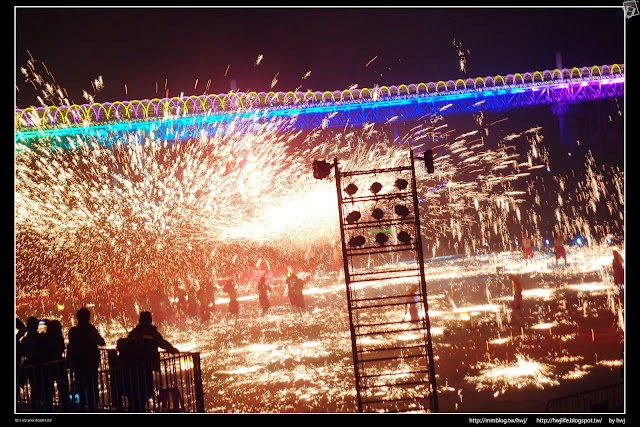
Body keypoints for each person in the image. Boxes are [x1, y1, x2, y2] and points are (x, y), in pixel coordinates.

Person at [124, 311, 180, 412]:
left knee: (134, 394)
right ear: (150, 320)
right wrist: (173, 350)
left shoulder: (134, 332)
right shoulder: (150, 331)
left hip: (132, 368)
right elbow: (161, 342)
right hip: (146, 367)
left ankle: (135, 409)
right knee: (146, 390)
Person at [67, 306, 106, 412]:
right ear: (88, 317)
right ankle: (93, 406)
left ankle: (82, 406)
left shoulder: (73, 331)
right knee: (91, 385)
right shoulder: (91, 331)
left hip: (78, 363)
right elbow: (102, 342)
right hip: (91, 363)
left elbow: (71, 347)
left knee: (81, 385)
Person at [41, 319, 71, 411]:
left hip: (47, 366)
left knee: (48, 390)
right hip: (59, 365)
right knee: (63, 389)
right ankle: (65, 408)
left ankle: (48, 409)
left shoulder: (45, 338)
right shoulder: (59, 338)